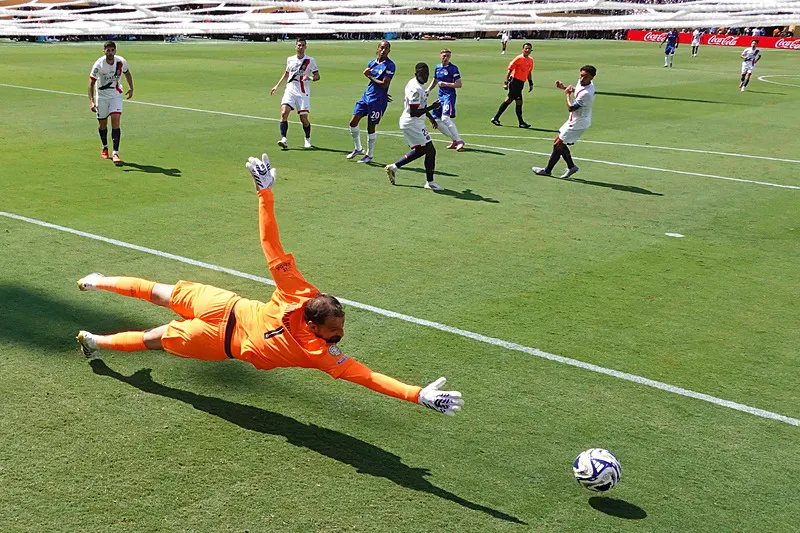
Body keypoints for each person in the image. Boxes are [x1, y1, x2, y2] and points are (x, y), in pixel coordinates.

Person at [75, 153, 464, 416]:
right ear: (313, 325)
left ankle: (96, 307)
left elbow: (270, 242)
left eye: (340, 327)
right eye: (334, 329)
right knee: (153, 325)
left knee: (155, 313)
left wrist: (265, 191)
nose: (340, 335)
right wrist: (416, 394)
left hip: (221, 315)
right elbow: (366, 376)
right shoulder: (317, 349)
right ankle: (96, 320)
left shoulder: (300, 291)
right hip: (218, 328)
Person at [384, 63, 443, 191]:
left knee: (421, 150)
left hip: (414, 122)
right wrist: (432, 107)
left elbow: (420, 106)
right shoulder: (416, 89)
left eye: (427, 74)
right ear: (416, 74)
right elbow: (414, 112)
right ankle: (430, 182)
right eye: (423, 74)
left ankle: (394, 167)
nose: (426, 77)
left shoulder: (415, 84)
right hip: (412, 123)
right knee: (431, 151)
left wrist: (431, 117)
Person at [532, 65, 597, 180]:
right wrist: (564, 87)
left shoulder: (587, 93)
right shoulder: (582, 83)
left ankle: (555, 169)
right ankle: (565, 168)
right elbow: (576, 90)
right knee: (557, 142)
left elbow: (571, 107)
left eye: (585, 77)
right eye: (581, 75)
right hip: (574, 119)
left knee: (558, 144)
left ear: (592, 78)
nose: (582, 79)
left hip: (579, 122)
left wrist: (567, 94)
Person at [347, 40, 396, 164]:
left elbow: (384, 84)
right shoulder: (372, 63)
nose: (384, 50)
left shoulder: (390, 65)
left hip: (377, 101)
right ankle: (358, 148)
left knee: (371, 127)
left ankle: (369, 155)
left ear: (389, 50)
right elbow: (377, 84)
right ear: (378, 48)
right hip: (366, 97)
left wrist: (369, 76)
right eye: (382, 47)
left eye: (386, 48)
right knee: (353, 122)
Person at [88, 40, 134, 163]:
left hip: (116, 95)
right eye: (108, 50)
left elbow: (127, 73)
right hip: (102, 97)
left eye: (112, 50)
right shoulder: (99, 64)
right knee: (102, 125)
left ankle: (115, 152)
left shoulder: (120, 62)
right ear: (104, 51)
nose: (110, 52)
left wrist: (131, 88)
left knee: (115, 121)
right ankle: (105, 147)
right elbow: (91, 83)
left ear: (115, 51)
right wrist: (92, 101)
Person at [270, 38, 320, 150]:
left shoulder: (310, 60)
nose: (300, 47)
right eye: (299, 45)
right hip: (290, 89)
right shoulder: (290, 59)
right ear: (295, 46)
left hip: (303, 92)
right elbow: (287, 74)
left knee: (303, 118)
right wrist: (277, 86)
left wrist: (310, 77)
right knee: (284, 112)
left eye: (303, 45)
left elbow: (317, 76)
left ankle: (307, 139)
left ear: (305, 47)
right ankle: (284, 139)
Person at [426, 48, 464, 152]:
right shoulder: (437, 67)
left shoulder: (453, 69)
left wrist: (445, 84)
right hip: (440, 97)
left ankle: (460, 141)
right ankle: (454, 140)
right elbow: (435, 80)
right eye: (444, 55)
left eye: (447, 56)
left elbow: (459, 84)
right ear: (440, 56)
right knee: (436, 121)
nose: (445, 58)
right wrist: (428, 90)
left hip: (449, 96)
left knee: (445, 119)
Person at [490, 43, 533, 129]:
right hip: (515, 82)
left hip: (521, 83)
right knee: (513, 100)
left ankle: (497, 118)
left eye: (529, 49)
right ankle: (519, 122)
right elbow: (510, 70)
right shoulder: (519, 58)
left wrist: (530, 83)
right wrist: (506, 82)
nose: (527, 50)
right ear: (522, 49)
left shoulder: (530, 60)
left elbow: (529, 72)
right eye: (526, 48)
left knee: (514, 101)